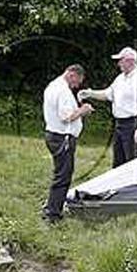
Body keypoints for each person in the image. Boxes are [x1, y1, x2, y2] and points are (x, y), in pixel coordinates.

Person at [78, 47, 137, 167]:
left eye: (120, 60)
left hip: (133, 122)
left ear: (130, 61)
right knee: (118, 160)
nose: (118, 64)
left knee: (133, 160)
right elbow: (108, 94)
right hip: (119, 123)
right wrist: (90, 93)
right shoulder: (120, 78)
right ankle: (120, 185)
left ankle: (135, 185)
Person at [42, 64, 94, 222]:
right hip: (62, 138)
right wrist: (83, 110)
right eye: (77, 81)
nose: (77, 85)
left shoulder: (53, 85)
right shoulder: (63, 91)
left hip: (54, 135)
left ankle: (51, 207)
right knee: (63, 176)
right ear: (72, 74)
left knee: (61, 173)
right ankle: (52, 214)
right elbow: (66, 117)